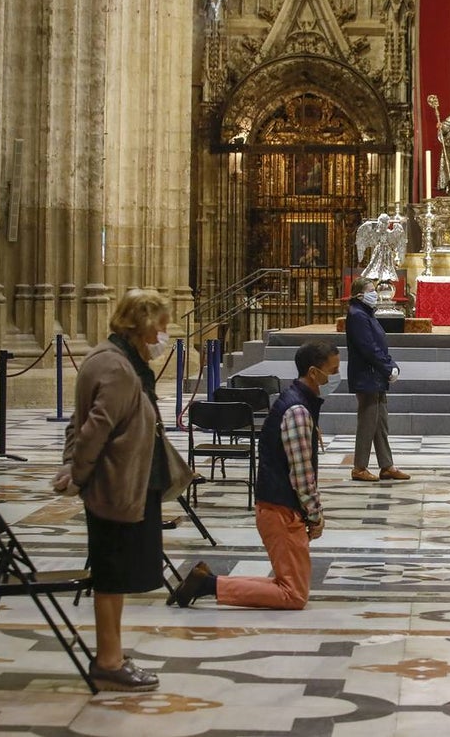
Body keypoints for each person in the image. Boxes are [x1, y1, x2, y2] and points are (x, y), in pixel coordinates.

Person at [55, 289, 173, 692]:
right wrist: (78, 474)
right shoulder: (118, 367)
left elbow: (81, 423)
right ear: (143, 325)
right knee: (112, 575)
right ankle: (108, 661)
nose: (164, 335)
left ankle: (113, 655)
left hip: (123, 482)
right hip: (117, 485)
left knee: (116, 576)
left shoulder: (112, 358)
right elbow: (93, 428)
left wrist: (74, 466)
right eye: (161, 326)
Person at [171, 341, 341, 609]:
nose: (336, 377)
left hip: (278, 507)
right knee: (293, 594)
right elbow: (301, 473)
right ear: (313, 372)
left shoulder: (298, 402)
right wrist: (315, 514)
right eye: (333, 370)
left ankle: (206, 581)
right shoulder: (297, 410)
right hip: (281, 510)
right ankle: (208, 585)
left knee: (289, 584)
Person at [346, 277, 410, 482]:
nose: (374, 294)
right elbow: (368, 347)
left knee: (380, 422)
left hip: (375, 375)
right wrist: (387, 367)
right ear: (359, 295)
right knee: (367, 422)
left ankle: (386, 465)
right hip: (367, 375)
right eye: (371, 290)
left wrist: (391, 365)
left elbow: (378, 345)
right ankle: (359, 467)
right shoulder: (357, 315)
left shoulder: (366, 313)